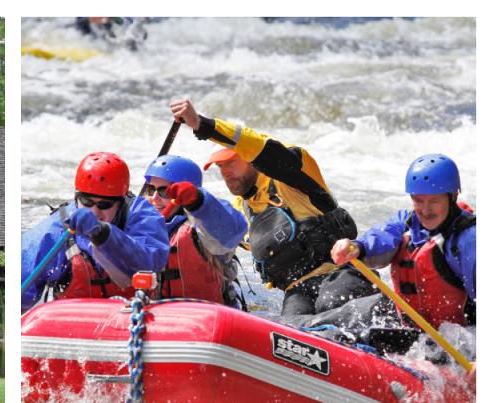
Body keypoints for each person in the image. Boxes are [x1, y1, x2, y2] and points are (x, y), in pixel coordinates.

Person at [169, 97, 375, 316]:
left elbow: (263, 148)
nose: (225, 171)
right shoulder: (241, 211)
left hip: (341, 275)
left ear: (250, 158)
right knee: (290, 328)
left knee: (329, 305)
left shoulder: (293, 175)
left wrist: (202, 124)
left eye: (231, 162)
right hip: (297, 291)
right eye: (220, 166)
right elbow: (211, 227)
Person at [331, 154, 475, 331]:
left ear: (452, 196)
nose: (425, 210)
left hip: (457, 340)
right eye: (418, 200)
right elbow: (381, 237)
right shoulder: (407, 223)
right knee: (333, 318)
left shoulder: (469, 241)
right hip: (406, 323)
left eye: (434, 201)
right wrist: (357, 248)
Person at [21, 152, 169, 312]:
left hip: (134, 315)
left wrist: (103, 234)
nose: (94, 212)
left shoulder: (141, 215)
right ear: (76, 197)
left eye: (104, 205)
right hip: (74, 321)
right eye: (86, 201)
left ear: (120, 202)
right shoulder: (54, 230)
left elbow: (150, 263)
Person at [143, 154, 247, 307]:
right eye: (151, 189)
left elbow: (233, 231)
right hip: (158, 316)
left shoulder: (203, 229)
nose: (154, 198)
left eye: (164, 191)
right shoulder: (138, 224)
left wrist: (198, 202)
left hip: (208, 317)